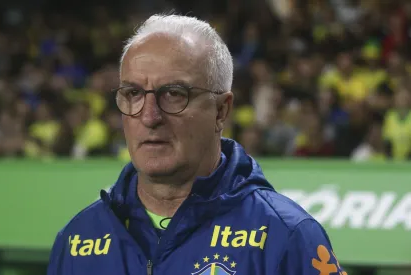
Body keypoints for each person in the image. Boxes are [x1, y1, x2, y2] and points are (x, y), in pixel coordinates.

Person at [47, 14, 347, 275]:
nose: (150, 117)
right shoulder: (77, 240)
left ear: (221, 111)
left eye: (174, 94)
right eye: (134, 94)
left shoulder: (288, 236)